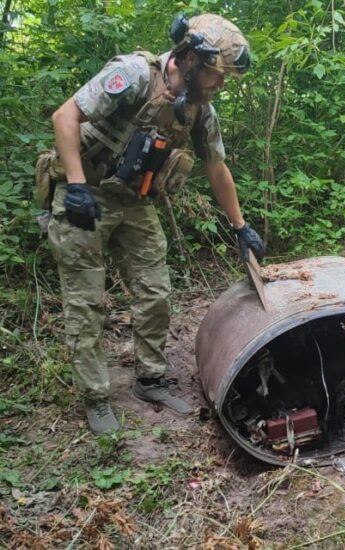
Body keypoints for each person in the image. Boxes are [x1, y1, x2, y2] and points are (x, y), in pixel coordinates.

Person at [43, 14, 265, 434]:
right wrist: (74, 186)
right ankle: (96, 397)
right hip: (85, 195)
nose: (220, 84)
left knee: (156, 291)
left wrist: (240, 226)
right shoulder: (131, 75)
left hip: (134, 203)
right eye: (216, 74)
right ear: (189, 59)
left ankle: (149, 379)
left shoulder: (200, 111)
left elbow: (216, 167)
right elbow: (64, 117)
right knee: (85, 301)